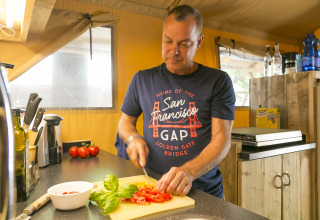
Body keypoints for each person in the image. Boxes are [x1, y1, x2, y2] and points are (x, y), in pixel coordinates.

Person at [118, 4, 235, 198]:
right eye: (168, 41)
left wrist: (189, 171)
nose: (174, 51)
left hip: (204, 192)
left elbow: (222, 140)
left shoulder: (218, 81)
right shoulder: (142, 79)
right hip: (156, 187)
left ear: (199, 42)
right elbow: (125, 122)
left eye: (184, 43)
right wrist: (134, 138)